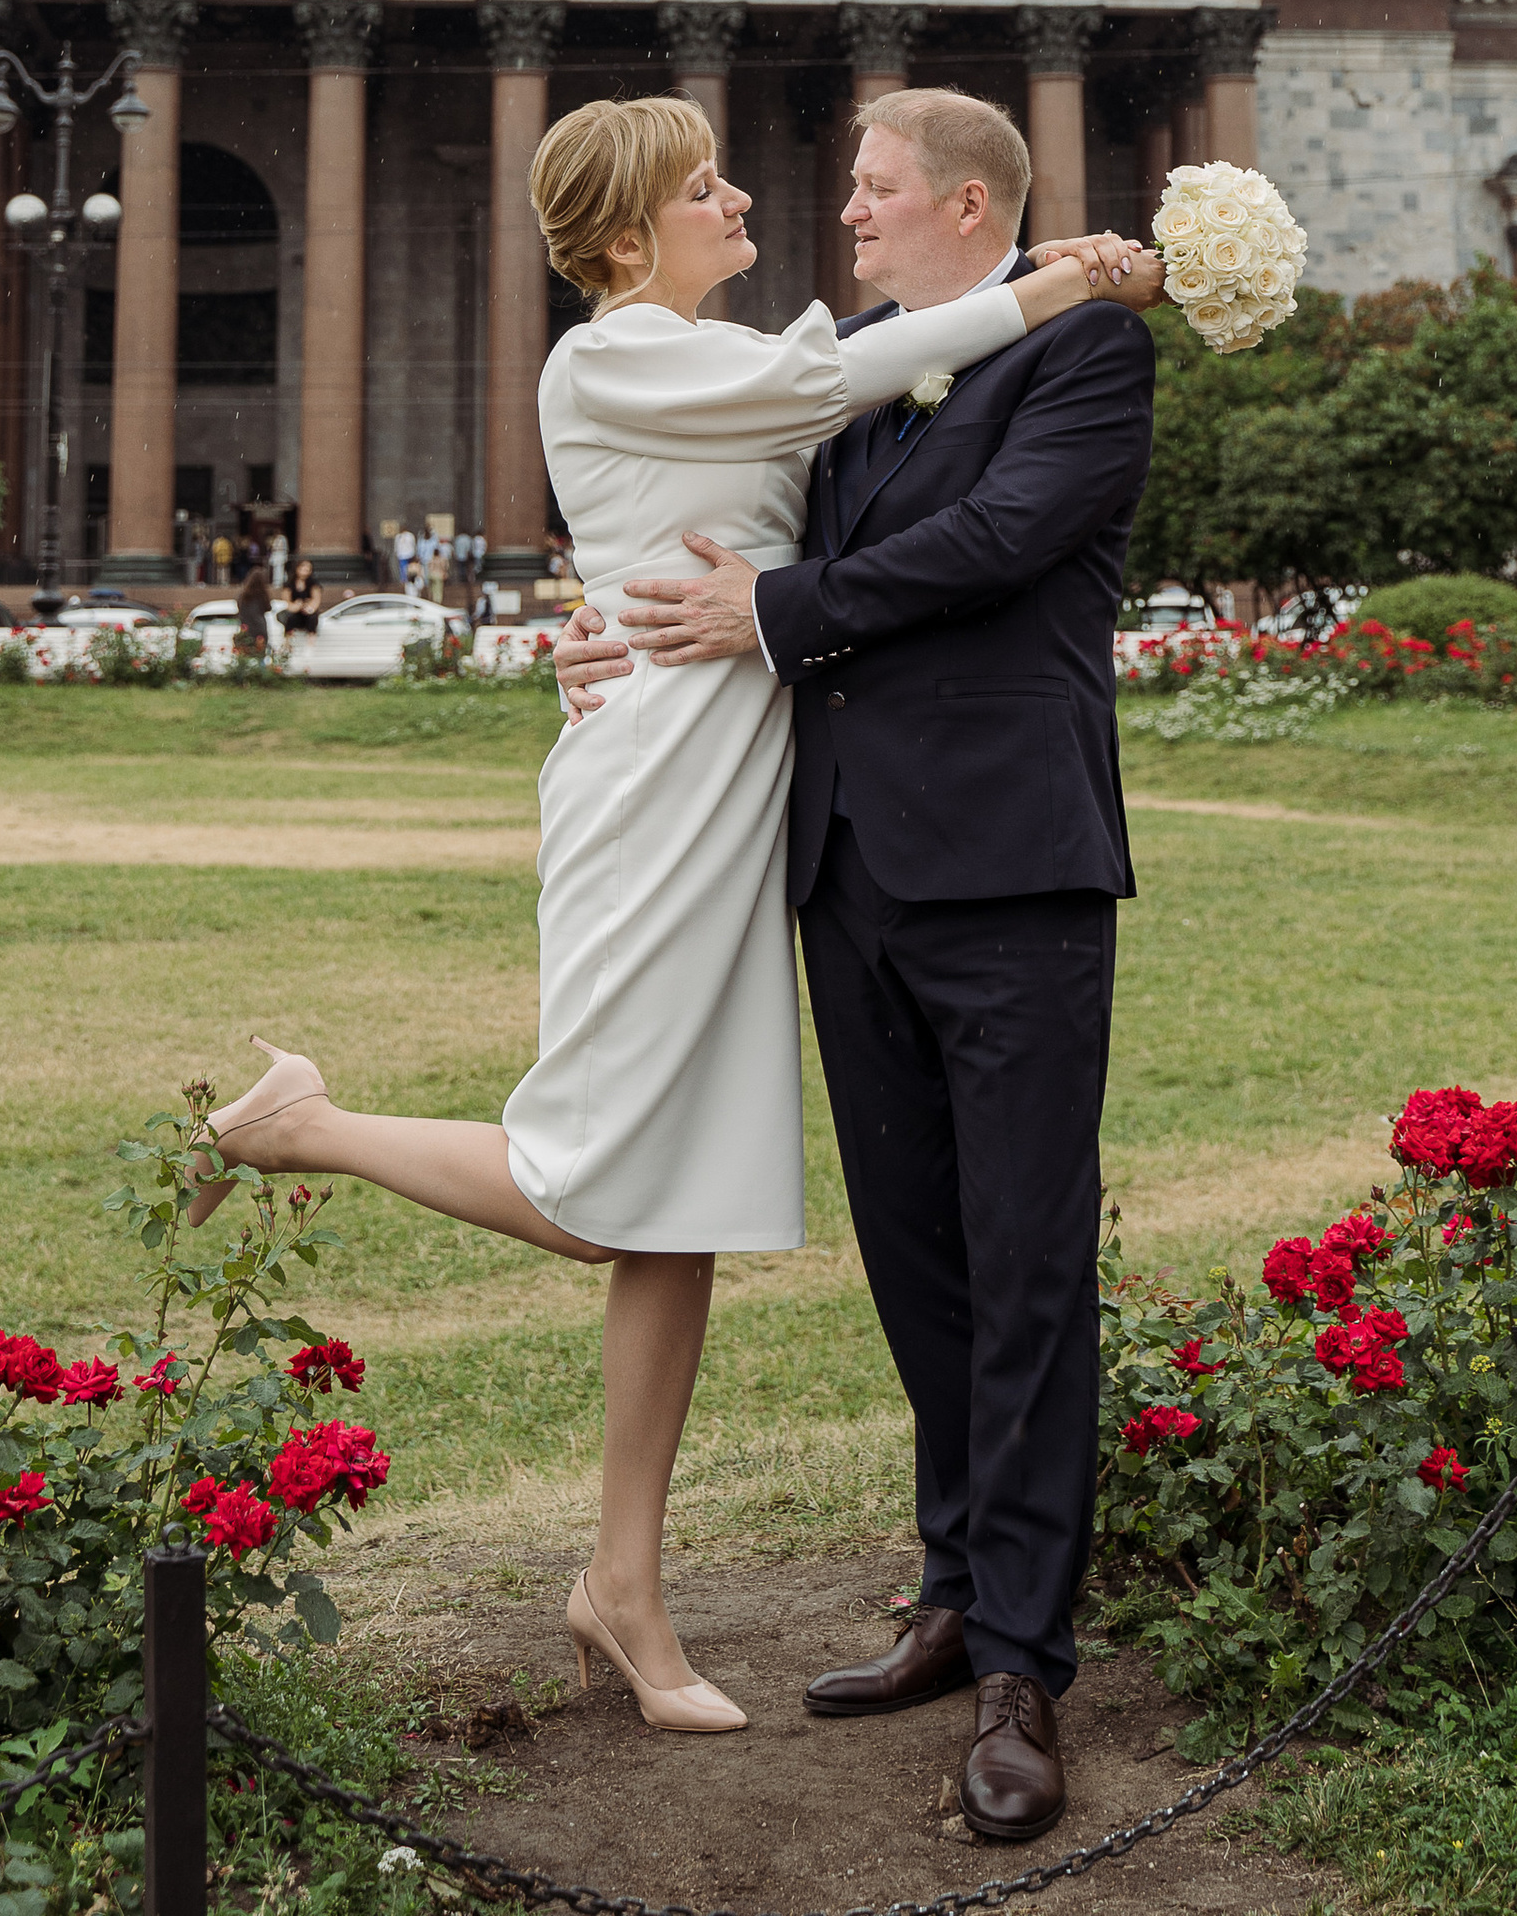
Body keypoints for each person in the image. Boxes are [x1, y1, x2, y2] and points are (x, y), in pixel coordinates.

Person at [181, 92, 1158, 1749]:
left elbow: (938, 517)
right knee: (643, 1189)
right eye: (716, 185)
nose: (808, 208)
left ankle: (660, 1591)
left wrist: (1057, 287)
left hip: (832, 819)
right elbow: (802, 404)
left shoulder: (889, 357)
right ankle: (310, 1125)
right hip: (696, 798)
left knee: (694, 1203)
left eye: (871, 187)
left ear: (969, 201)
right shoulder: (678, 355)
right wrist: (1082, 269)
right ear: (627, 235)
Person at [554, 90, 1159, 1843]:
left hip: (1013, 866)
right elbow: (713, 528)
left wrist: (771, 608)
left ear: (969, 205)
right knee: (921, 1266)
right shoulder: (861, 366)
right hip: (850, 870)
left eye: (877, 190)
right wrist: (603, 632)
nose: (848, 215)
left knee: (1031, 1266)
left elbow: (987, 552)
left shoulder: (1082, 361)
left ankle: (1027, 1669)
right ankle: (955, 1592)